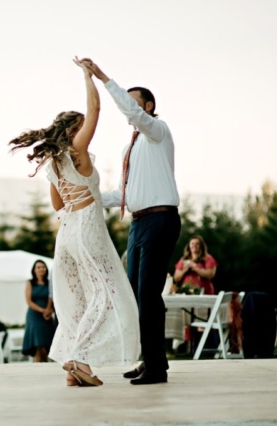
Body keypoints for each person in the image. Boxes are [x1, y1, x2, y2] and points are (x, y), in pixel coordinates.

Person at [9, 58, 140, 386]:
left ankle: (76, 370)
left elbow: (58, 203)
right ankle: (80, 358)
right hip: (88, 228)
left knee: (78, 297)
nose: (87, 131)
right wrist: (88, 75)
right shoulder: (76, 151)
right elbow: (95, 110)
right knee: (112, 295)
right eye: (81, 127)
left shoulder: (53, 163)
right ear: (73, 131)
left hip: (66, 233)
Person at [82, 58, 181, 385]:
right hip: (138, 224)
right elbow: (123, 193)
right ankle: (151, 360)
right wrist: (88, 195)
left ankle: (156, 368)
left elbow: (132, 113)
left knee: (149, 294)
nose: (128, 108)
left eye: (133, 100)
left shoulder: (157, 132)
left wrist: (104, 78)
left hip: (160, 221)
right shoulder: (132, 145)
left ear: (149, 107)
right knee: (136, 296)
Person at [20, 260, 55, 363]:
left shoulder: (50, 283)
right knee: (38, 345)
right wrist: (42, 310)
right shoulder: (30, 283)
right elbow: (29, 301)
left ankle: (43, 366)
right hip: (34, 316)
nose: (41, 269)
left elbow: (53, 298)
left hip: (47, 316)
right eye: (38, 267)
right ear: (34, 270)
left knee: (45, 345)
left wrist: (49, 311)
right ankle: (38, 367)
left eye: (43, 267)